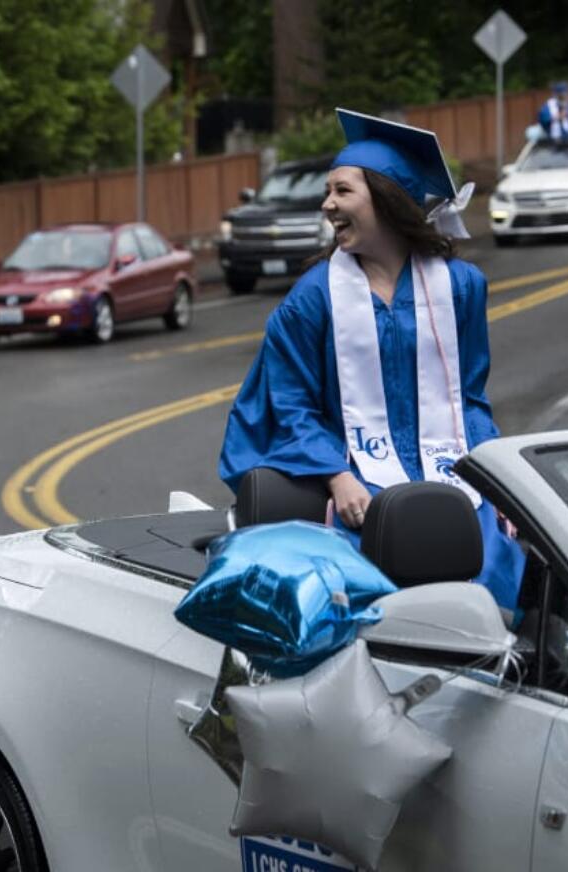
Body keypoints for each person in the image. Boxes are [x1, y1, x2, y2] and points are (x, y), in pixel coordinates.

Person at [218, 109, 523, 609]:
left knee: (493, 563)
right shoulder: (313, 300)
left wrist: (500, 483)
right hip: (356, 483)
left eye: (342, 191)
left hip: (450, 475)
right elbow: (290, 406)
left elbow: (468, 398)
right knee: (375, 580)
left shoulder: (461, 288)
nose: (327, 205)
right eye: (327, 192)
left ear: (386, 199)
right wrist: (338, 478)